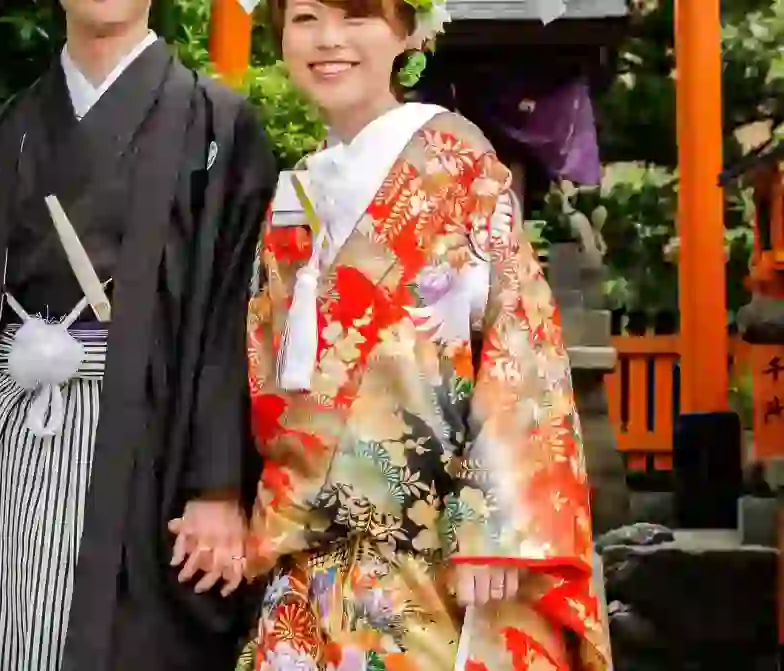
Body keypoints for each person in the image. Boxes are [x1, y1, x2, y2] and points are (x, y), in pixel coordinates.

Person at [0, 1, 277, 669]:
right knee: (0, 632)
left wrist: (215, 486)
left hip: (145, 451)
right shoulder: (6, 130)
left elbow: (233, 314)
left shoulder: (216, 126)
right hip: (6, 444)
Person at [236, 0, 613, 669]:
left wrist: (494, 528)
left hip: (437, 558)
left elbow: (521, 343)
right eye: (304, 18)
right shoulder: (296, 190)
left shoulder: (457, 166)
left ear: (407, 29)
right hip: (309, 556)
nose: (329, 41)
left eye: (357, 17)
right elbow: (268, 373)